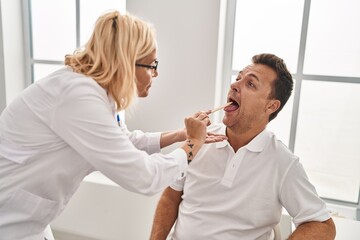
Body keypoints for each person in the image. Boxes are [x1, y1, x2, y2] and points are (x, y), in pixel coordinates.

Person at [0, 11, 226, 239]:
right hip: (9, 220)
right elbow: (144, 177)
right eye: (151, 65)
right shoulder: (77, 96)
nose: (155, 73)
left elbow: (125, 141)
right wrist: (192, 144)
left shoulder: (93, 93)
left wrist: (179, 135)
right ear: (126, 63)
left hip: (29, 217)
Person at [150, 53, 336, 240]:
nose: (234, 85)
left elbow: (322, 225)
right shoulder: (199, 140)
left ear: (271, 106)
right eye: (238, 78)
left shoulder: (283, 162)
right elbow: (171, 196)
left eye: (250, 84)